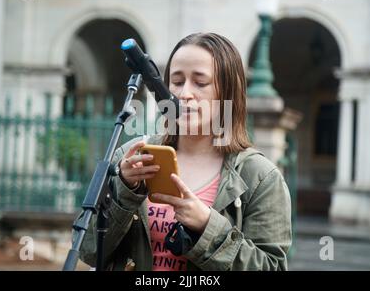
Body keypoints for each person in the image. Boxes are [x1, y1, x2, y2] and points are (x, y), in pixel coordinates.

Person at [78, 32, 292, 271]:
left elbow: (272, 267)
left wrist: (208, 225)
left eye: (200, 83)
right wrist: (124, 191)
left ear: (228, 92)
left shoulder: (260, 177)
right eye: (177, 82)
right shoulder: (131, 157)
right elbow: (88, 251)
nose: (185, 93)